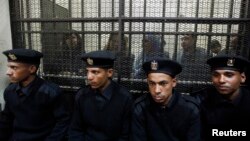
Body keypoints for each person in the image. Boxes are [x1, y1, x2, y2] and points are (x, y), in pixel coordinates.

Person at [0, 48, 70, 141]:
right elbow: (6, 120)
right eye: (9, 67)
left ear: (32, 69)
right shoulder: (10, 91)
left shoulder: (50, 92)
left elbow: (63, 122)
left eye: (14, 67)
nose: (8, 72)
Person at [68, 50, 133, 140]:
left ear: (109, 73)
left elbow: (125, 136)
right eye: (87, 71)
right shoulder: (82, 95)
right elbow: (75, 130)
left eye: (95, 72)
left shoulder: (124, 98)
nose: (89, 77)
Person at [131, 58, 201, 141]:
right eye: (152, 83)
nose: (156, 90)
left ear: (174, 82)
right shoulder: (140, 108)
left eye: (163, 83)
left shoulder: (190, 109)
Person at [191, 55, 250, 140]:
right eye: (216, 75)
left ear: (242, 77)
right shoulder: (200, 100)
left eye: (229, 75)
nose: (221, 80)